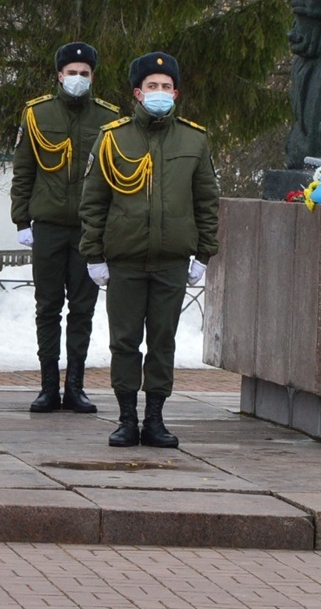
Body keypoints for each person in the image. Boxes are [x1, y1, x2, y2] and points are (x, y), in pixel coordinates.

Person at [79, 52, 220, 448]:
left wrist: (204, 255)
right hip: (124, 259)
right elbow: (93, 203)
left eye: (166, 86)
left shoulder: (194, 140)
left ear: (176, 92)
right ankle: (126, 418)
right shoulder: (112, 138)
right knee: (124, 341)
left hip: (171, 260)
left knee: (162, 341)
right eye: (152, 86)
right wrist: (94, 254)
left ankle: (155, 419)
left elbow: (206, 201)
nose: (160, 93)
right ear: (137, 93)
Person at [10, 42, 121, 413]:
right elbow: (24, 170)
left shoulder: (108, 119)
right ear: (59, 75)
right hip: (49, 227)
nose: (77, 79)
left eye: (84, 74)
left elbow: (112, 178)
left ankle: (75, 387)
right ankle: (47, 387)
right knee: (48, 308)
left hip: (89, 231)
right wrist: (21, 220)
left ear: (93, 77)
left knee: (83, 310)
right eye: (71, 73)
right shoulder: (37, 114)